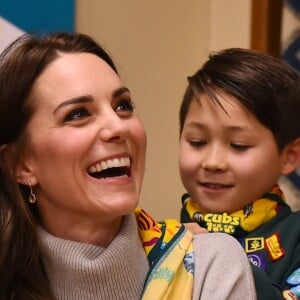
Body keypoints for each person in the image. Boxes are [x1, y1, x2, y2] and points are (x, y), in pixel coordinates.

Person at [0, 33, 256, 299]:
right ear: (20, 165)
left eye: (122, 106)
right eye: (78, 114)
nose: (119, 127)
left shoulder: (207, 266)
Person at [178, 48, 300, 299]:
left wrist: (218, 252)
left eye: (239, 145)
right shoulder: (164, 238)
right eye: (197, 141)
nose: (213, 162)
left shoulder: (295, 236)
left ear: (289, 157)